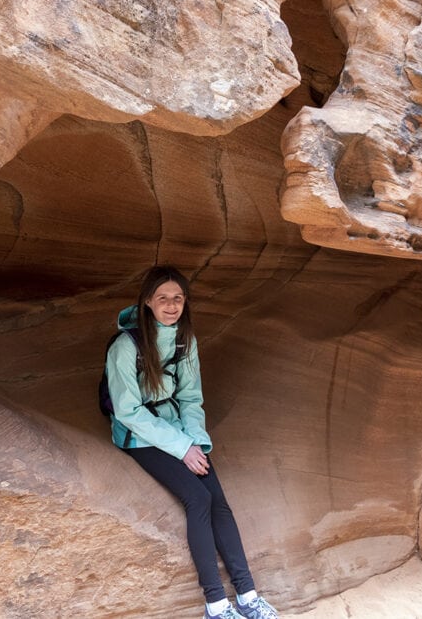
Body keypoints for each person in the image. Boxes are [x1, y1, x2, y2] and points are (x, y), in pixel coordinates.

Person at [105, 265, 280, 619]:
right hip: (138, 434)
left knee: (219, 501)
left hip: (177, 429)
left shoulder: (185, 339)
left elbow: (190, 399)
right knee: (197, 497)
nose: (171, 306)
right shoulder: (125, 347)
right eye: (163, 299)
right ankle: (216, 604)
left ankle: (247, 596)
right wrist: (180, 448)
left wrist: (196, 442)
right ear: (147, 303)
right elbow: (128, 411)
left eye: (178, 299)